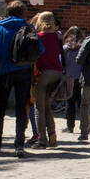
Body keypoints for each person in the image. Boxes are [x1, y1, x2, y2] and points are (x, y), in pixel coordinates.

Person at [0, 1, 36, 156]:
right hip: (24, 71)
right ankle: (19, 144)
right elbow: (39, 49)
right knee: (22, 108)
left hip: (5, 71)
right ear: (23, 13)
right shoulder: (29, 27)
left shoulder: (2, 27)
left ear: (8, 12)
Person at [30, 11, 65, 148]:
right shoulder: (57, 37)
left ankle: (42, 140)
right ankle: (52, 133)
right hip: (57, 72)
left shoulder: (38, 37)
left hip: (42, 73)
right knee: (47, 106)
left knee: (39, 108)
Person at [61, 27, 84, 135]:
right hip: (81, 78)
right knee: (82, 102)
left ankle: (70, 127)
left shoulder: (65, 48)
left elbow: (61, 62)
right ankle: (85, 125)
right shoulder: (83, 48)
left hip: (69, 78)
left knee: (70, 103)